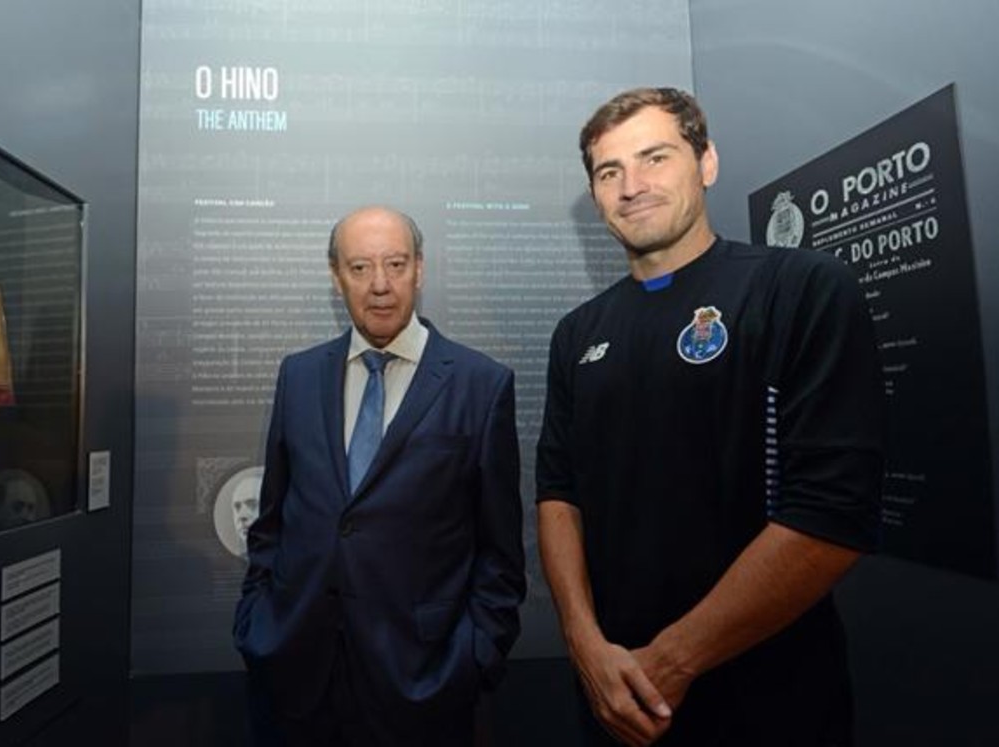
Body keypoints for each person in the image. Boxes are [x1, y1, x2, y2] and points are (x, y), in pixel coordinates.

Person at [536, 88, 885, 746]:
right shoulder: (578, 333)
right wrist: (584, 646)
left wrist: (672, 662)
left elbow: (832, 515)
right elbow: (559, 494)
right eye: (609, 172)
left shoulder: (801, 289)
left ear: (707, 162)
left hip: (769, 702)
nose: (632, 186)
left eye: (655, 157)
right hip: (614, 695)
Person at [234, 206, 526, 746]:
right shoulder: (299, 375)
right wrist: (258, 624)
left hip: (423, 685)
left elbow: (500, 552)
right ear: (336, 276)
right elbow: (273, 519)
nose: (380, 285)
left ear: (420, 268)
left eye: (395, 264)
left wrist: (474, 656)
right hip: (296, 677)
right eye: (360, 267)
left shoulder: (481, 385)